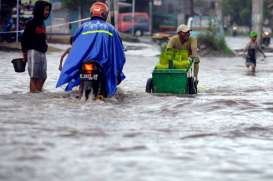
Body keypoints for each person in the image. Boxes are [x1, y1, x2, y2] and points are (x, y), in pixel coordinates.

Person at [56, 1, 126, 97]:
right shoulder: (111, 29)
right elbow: (119, 50)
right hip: (103, 63)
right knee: (112, 76)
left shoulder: (83, 26)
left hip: (84, 61)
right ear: (105, 14)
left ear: (91, 13)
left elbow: (74, 41)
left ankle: (80, 91)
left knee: (76, 78)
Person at [21, 0, 52, 93]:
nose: (47, 12)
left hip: (42, 53)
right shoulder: (31, 23)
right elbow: (24, 40)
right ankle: (33, 95)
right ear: (39, 10)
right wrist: (24, 56)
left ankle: (37, 96)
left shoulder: (42, 24)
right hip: (33, 52)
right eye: (45, 10)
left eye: (48, 10)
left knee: (43, 77)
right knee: (34, 77)